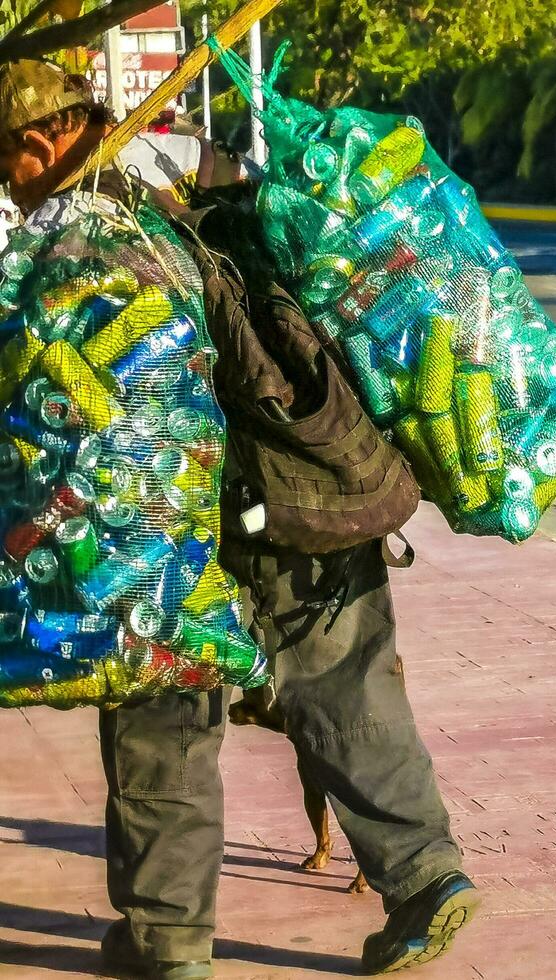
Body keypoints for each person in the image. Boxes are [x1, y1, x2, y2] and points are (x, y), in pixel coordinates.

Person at [0, 59, 479, 979]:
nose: (7, 188)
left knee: (162, 723)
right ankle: (427, 880)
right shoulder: (180, 177)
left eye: (5, 167)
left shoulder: (85, 242)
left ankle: (167, 943)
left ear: (37, 142)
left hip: (205, 524)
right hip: (326, 477)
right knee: (350, 693)